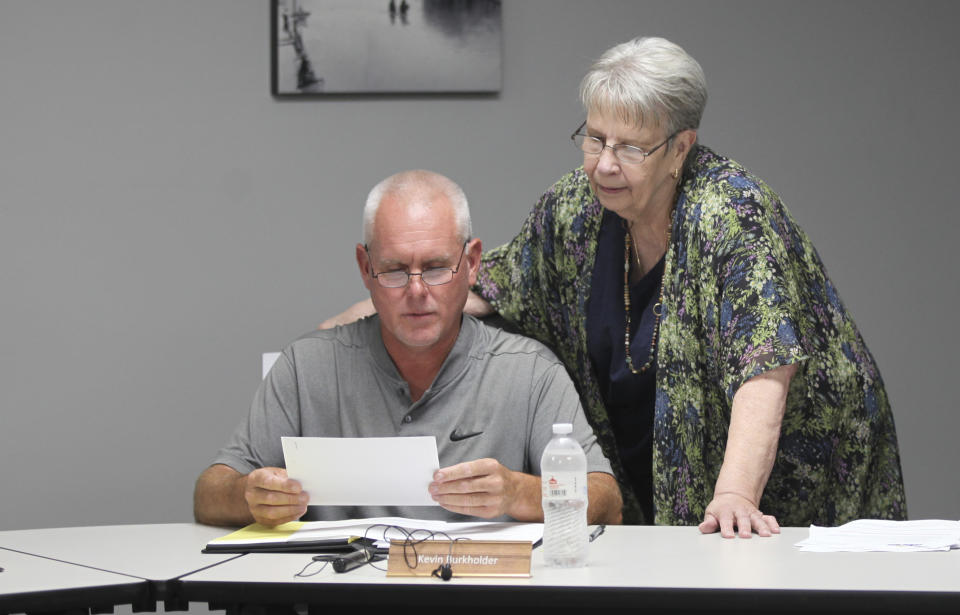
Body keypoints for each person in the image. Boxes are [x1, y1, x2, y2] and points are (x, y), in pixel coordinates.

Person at [321, 38, 906, 536]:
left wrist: (735, 496)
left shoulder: (732, 216)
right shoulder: (575, 208)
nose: (604, 163)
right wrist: (364, 319)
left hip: (797, 467)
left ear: (681, 147)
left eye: (630, 147)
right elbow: (500, 285)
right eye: (595, 138)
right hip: (656, 467)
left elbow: (764, 372)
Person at [194, 170, 622, 528]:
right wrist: (250, 495)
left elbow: (607, 501)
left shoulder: (529, 372)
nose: (417, 292)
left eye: (436, 268)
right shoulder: (308, 368)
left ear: (472, 263)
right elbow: (209, 493)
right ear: (366, 268)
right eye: (396, 271)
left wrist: (520, 492)